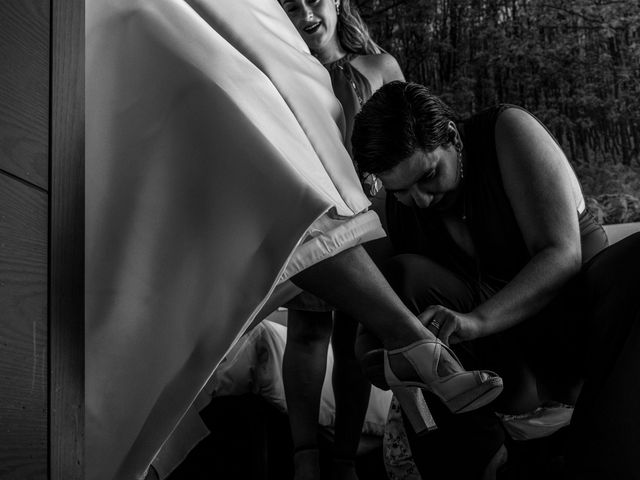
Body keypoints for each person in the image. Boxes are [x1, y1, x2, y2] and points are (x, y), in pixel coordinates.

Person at [351, 81, 640, 479]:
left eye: (429, 175)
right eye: (401, 190)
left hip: (578, 317)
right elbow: (374, 309)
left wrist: (476, 322)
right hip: (503, 361)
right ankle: (488, 464)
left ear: (452, 136)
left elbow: (560, 255)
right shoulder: (395, 208)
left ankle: (605, 452)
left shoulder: (507, 132)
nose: (419, 200)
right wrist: (378, 353)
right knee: (403, 275)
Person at [277, 1, 406, 478]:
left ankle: (346, 459)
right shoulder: (280, 70)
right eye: (289, 4)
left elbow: (406, 140)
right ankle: (304, 457)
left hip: (373, 215)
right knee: (309, 331)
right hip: (313, 210)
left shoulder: (379, 67)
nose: (305, 11)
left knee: (356, 337)